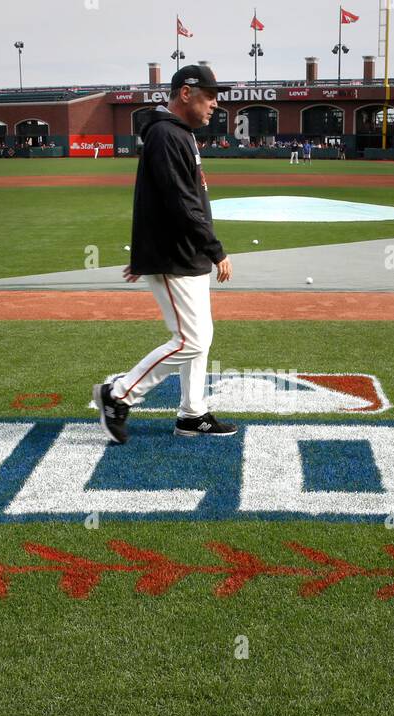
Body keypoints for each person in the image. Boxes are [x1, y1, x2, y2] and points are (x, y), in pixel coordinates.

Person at [94, 64, 236, 444]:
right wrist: (215, 249)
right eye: (209, 97)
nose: (214, 105)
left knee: (200, 337)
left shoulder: (179, 134)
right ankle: (119, 394)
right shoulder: (165, 134)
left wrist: (144, 252)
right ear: (186, 93)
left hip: (183, 253)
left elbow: (162, 200)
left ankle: (192, 413)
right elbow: (180, 202)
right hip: (178, 255)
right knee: (190, 339)